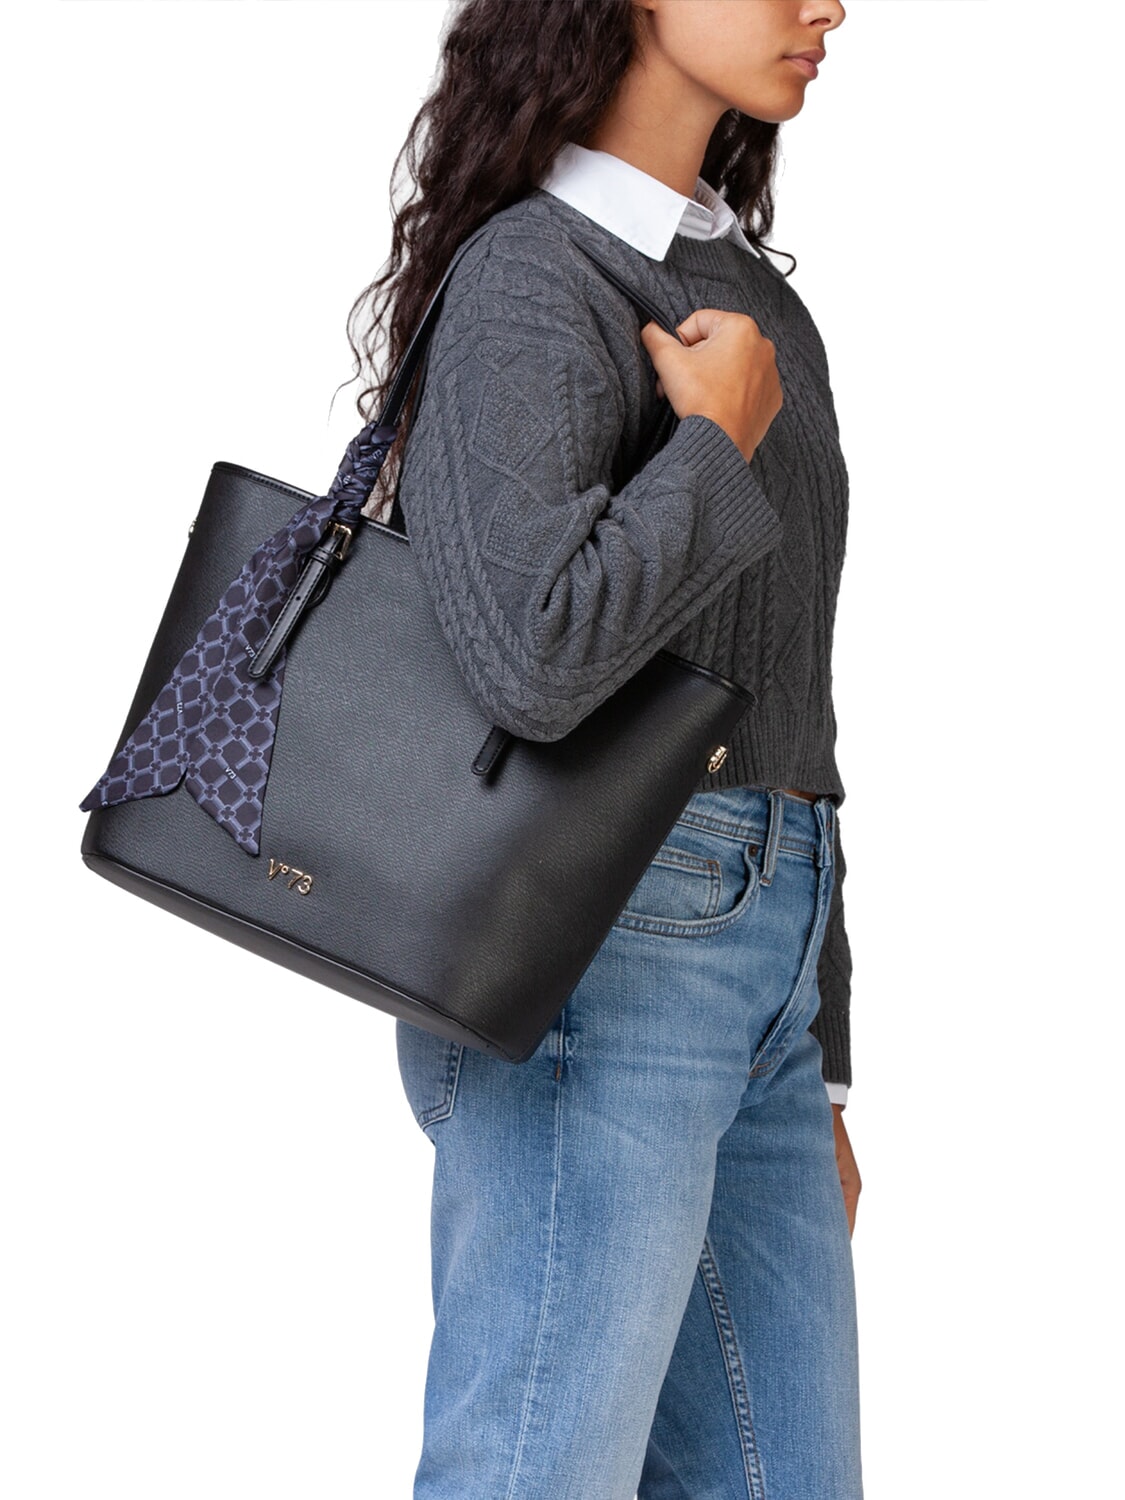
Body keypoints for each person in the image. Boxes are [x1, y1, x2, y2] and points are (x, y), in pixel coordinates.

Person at [347, 2, 861, 1495]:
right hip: (597, 955)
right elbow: (534, 663)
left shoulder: (743, 297)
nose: (827, 6)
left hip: (760, 962)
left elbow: (790, 696)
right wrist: (711, 447)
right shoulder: (532, 274)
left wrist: (818, 1057)